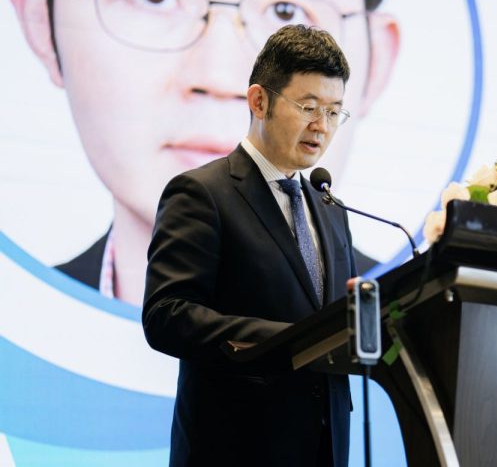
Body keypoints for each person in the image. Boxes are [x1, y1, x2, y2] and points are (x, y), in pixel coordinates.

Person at [7, 0, 398, 305]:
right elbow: (170, 319)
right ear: (40, 16)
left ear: (377, 61)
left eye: (285, 10)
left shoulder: (333, 217)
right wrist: (270, 341)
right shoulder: (28, 314)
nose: (219, 77)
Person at [143, 25, 357, 466]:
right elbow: (167, 315)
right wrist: (292, 343)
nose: (322, 126)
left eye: (334, 112)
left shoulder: (331, 209)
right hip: (236, 447)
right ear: (259, 101)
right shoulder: (202, 193)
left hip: (325, 447)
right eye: (308, 107)